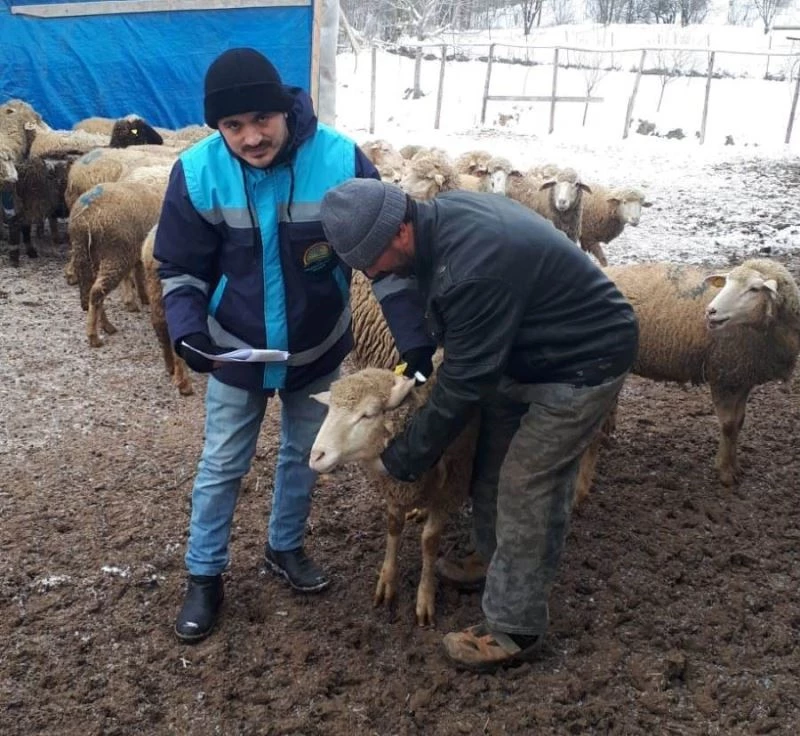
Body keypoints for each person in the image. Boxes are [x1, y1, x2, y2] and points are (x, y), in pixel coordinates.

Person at [154, 48, 435, 643]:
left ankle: (285, 546)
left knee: (305, 453)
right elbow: (179, 267)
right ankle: (204, 575)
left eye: (262, 119)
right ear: (217, 127)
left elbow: (385, 260)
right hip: (236, 347)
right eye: (233, 126)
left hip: (317, 345)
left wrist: (413, 341)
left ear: (285, 108)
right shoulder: (199, 172)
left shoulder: (338, 160)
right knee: (223, 462)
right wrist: (189, 333)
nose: (251, 137)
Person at [320, 179, 638, 672]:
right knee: (489, 461)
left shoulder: (472, 267)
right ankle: (496, 559)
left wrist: (405, 458)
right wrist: (416, 354)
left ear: (400, 232)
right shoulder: (429, 224)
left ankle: (516, 627)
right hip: (520, 348)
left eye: (372, 262)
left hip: (582, 358)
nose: (371, 274)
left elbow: (465, 383)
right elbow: (400, 289)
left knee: (527, 481)